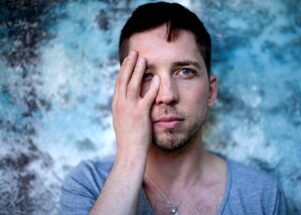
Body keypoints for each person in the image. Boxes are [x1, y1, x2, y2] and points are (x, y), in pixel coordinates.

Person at [59, 2, 287, 215]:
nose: (167, 96)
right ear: (123, 91)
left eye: (185, 71)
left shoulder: (263, 196)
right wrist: (130, 155)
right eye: (146, 75)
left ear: (211, 91)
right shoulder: (88, 185)